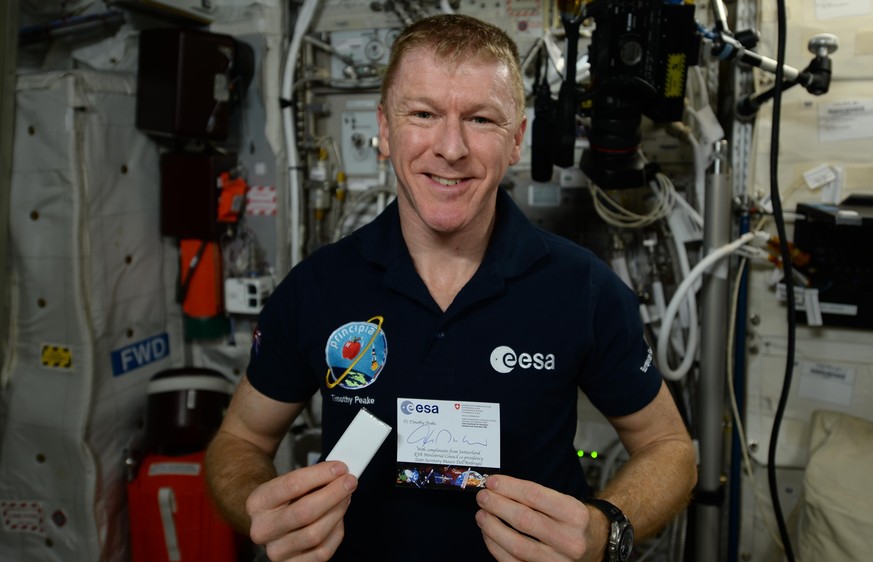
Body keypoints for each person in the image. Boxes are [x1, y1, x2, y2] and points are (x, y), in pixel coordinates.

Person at [204, 13, 697, 562]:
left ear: (517, 141)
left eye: (482, 119)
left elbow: (669, 448)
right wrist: (258, 505)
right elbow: (240, 441)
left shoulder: (583, 289)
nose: (451, 148)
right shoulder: (319, 286)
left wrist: (606, 530)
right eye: (423, 114)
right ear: (386, 132)